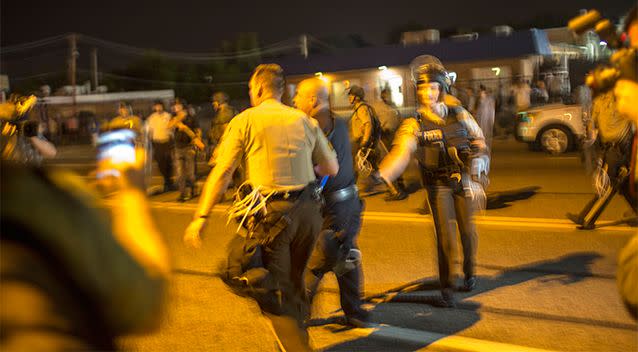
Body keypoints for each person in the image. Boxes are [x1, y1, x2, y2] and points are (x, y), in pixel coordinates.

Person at [183, 64, 338, 351]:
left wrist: (201, 217)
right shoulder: (305, 121)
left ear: (258, 89)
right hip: (309, 213)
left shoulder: (245, 120)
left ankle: (296, 345)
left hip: (273, 218)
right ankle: (298, 333)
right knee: (295, 283)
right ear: (281, 90)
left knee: (268, 291)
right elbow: (331, 166)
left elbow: (223, 172)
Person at [0, 97, 170, 351]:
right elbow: (144, 305)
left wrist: (28, 135)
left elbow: (50, 152)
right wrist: (132, 193)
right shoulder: (42, 200)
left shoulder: (31, 167)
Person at [376, 55, 489, 307]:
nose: (428, 93)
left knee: (468, 233)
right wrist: (384, 173)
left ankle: (470, 273)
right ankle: (447, 285)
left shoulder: (458, 113)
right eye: (423, 88)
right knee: (445, 237)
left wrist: (480, 161)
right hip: (437, 185)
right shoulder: (413, 122)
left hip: (462, 179)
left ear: (442, 89)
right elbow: (402, 151)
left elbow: (479, 139)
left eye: (434, 87)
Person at [293, 78, 370, 327]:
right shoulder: (337, 121)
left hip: (334, 206)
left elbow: (322, 167)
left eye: (298, 96)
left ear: (313, 99)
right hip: (345, 204)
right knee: (344, 256)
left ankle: (296, 316)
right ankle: (354, 312)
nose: (294, 100)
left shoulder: (318, 123)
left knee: (316, 261)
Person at [374, 87, 408, 200]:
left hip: (395, 136)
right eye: (383, 95)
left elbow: (399, 119)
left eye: (387, 95)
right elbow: (376, 123)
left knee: (396, 161)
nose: (385, 97)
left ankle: (400, 187)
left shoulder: (394, 106)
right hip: (384, 137)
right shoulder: (378, 107)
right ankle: (394, 189)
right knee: (388, 162)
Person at [170, 98, 203, 202]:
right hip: (178, 148)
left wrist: (197, 143)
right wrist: (178, 118)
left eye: (178, 105)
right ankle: (182, 193)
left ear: (183, 106)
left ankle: (193, 190)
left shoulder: (191, 118)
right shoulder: (174, 118)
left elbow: (198, 131)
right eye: (175, 106)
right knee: (180, 174)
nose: (176, 107)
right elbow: (169, 126)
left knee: (191, 173)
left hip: (189, 147)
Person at [145, 100, 174, 192]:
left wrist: (172, 141)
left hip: (167, 142)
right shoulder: (151, 118)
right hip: (156, 143)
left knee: (168, 162)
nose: (158, 108)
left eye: (160, 106)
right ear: (154, 108)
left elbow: (172, 128)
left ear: (163, 107)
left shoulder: (168, 116)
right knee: (160, 163)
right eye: (156, 106)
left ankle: (167, 182)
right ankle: (167, 180)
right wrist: (148, 141)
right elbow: (149, 131)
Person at [207, 91, 237, 157]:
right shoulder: (226, 112)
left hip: (224, 149)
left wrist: (219, 148)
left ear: (219, 102)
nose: (213, 104)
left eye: (214, 102)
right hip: (223, 148)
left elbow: (226, 132)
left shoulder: (225, 113)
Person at [475, 85, 496, 152]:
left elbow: (492, 110)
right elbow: (478, 110)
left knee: (487, 134)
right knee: (481, 133)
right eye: (480, 93)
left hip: (487, 118)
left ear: (484, 92)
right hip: (481, 119)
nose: (480, 94)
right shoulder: (479, 100)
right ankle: (483, 147)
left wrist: (492, 119)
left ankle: (487, 147)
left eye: (481, 92)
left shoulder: (489, 100)